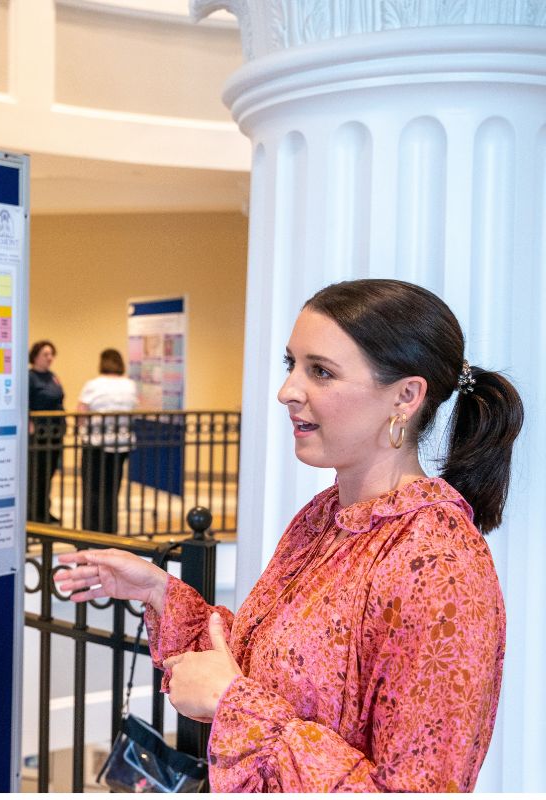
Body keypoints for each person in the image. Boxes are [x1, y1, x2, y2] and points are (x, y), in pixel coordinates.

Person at [55, 278, 524, 792]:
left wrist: (235, 706)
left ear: (406, 396)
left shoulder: (440, 567)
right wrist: (156, 591)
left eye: (320, 371)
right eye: (291, 365)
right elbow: (267, 663)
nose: (287, 392)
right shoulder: (324, 514)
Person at [77, 348, 139, 533]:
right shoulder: (130, 385)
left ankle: (91, 529)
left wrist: (83, 430)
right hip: (121, 443)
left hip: (96, 442)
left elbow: (81, 412)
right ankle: (109, 529)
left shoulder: (93, 385)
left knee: (93, 489)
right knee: (113, 488)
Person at [27, 340, 65, 523]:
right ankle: (34, 512)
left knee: (49, 473)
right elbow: (24, 402)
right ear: (35, 356)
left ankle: (44, 510)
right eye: (45, 354)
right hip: (38, 433)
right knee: (37, 474)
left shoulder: (53, 376)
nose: (50, 358)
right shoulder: (30, 377)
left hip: (55, 432)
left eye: (51, 354)